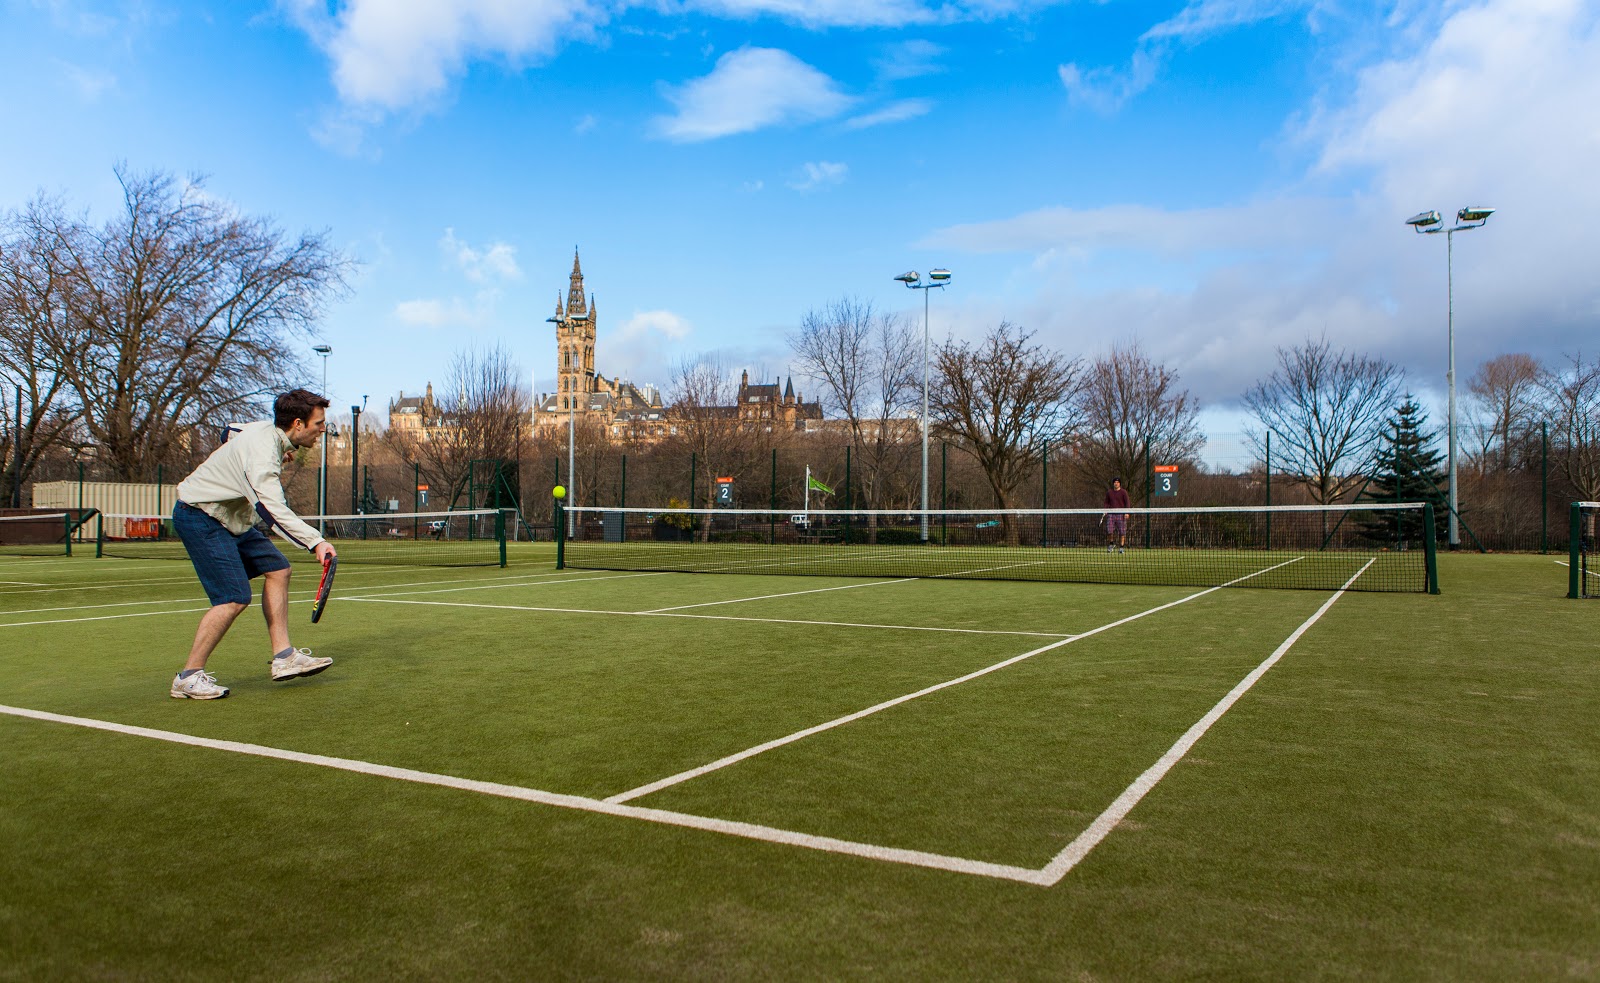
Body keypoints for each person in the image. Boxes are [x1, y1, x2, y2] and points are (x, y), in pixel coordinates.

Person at [168, 389, 338, 699]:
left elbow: (228, 431)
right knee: (233, 598)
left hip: (231, 517)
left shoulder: (263, 430)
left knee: (278, 569)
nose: (323, 429)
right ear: (298, 424)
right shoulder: (263, 458)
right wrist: (316, 542)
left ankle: (284, 657)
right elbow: (272, 512)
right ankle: (188, 677)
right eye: (319, 423)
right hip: (200, 515)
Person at [1103, 477, 1131, 554]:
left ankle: (1121, 547)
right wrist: (1105, 510)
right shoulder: (1109, 492)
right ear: (1113, 483)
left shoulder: (1123, 492)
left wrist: (1127, 512)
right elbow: (1106, 502)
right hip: (1111, 514)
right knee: (1110, 530)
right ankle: (1111, 544)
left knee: (1122, 532)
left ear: (1120, 484)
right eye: (1115, 482)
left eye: (1117, 482)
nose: (1116, 483)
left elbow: (1127, 503)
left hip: (1121, 514)